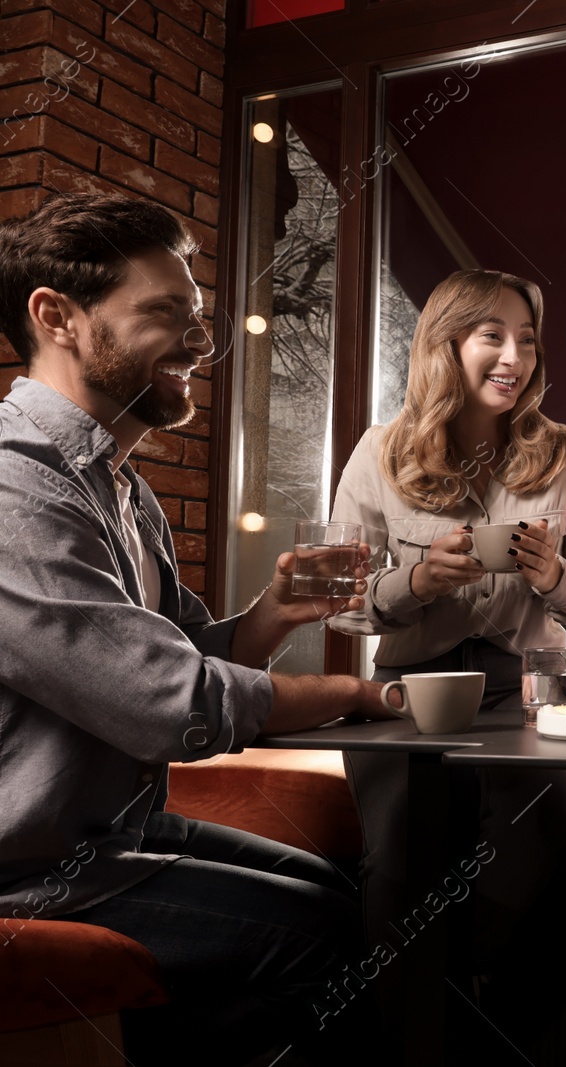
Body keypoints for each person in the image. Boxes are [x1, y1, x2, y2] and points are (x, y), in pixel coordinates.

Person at [0, 193, 390, 1066]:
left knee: (331, 886)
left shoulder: (122, 488)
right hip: (25, 872)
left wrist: (271, 617)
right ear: (56, 316)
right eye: (165, 314)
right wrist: (358, 694)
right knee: (321, 931)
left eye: (200, 316)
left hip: (116, 836)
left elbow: (177, 658)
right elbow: (167, 704)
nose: (203, 342)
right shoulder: (15, 494)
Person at [328, 269, 566, 1031]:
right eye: (493, 335)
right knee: (396, 863)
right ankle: (428, 1029)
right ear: (444, 344)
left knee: (540, 835)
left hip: (532, 690)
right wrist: (417, 579)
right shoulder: (378, 453)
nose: (513, 355)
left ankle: (442, 988)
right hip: (404, 697)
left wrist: (559, 578)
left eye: (526, 339)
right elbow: (340, 603)